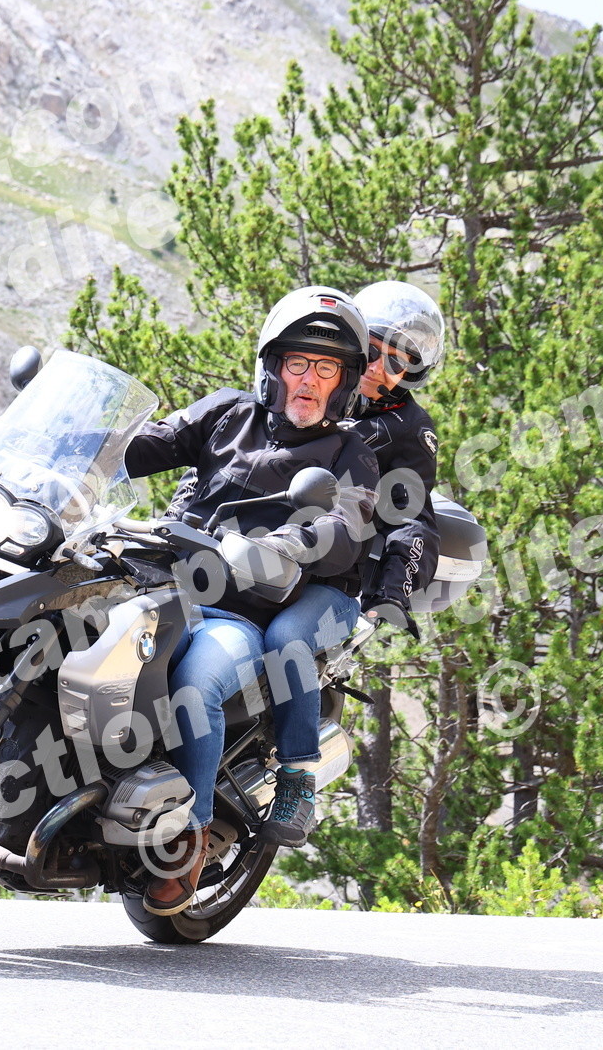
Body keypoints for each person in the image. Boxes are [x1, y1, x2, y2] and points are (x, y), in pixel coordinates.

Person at [122, 286, 379, 916]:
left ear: (344, 383)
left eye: (326, 369)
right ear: (273, 367)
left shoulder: (350, 453)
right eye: (298, 363)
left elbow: (347, 528)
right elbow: (143, 445)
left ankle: (189, 835)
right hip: (163, 585)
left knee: (197, 684)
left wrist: (287, 544)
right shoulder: (227, 415)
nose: (309, 380)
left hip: (241, 611)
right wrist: (64, 448)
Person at [257, 281, 446, 847]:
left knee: (288, 639)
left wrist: (390, 593)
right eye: (377, 351)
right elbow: (219, 455)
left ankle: (297, 783)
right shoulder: (297, 385)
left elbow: (412, 519)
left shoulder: (408, 430)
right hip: (245, 550)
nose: (383, 370)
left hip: (328, 572)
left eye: (400, 363)